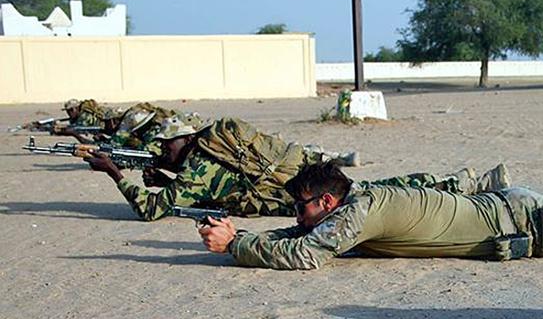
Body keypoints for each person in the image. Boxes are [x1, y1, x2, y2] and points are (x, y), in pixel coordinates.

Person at [196, 160, 543, 271]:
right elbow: (307, 233)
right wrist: (243, 233)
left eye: (302, 206)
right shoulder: (362, 202)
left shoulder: (362, 211)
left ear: (329, 202)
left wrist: (239, 244)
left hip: (529, 224)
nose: (298, 214)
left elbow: (310, 252)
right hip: (514, 214)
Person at [84, 114, 511, 221]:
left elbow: (153, 210)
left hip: (292, 196)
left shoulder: (198, 163)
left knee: (382, 195)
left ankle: (465, 184)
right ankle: (464, 182)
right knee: (379, 190)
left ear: (182, 140)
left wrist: (116, 175)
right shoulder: (206, 155)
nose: (166, 151)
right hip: (298, 183)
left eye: (168, 146)